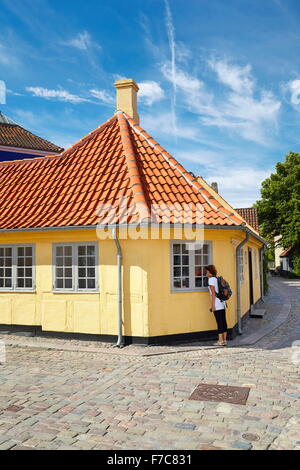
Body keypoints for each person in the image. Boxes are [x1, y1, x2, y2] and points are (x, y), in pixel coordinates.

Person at [205, 265, 228, 346]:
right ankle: (225, 340)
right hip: (223, 303)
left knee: (219, 322)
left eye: (206, 271)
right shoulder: (217, 278)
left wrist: (213, 306)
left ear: (209, 272)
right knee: (224, 321)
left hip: (217, 304)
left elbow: (213, 293)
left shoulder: (211, 280)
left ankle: (220, 341)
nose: (206, 273)